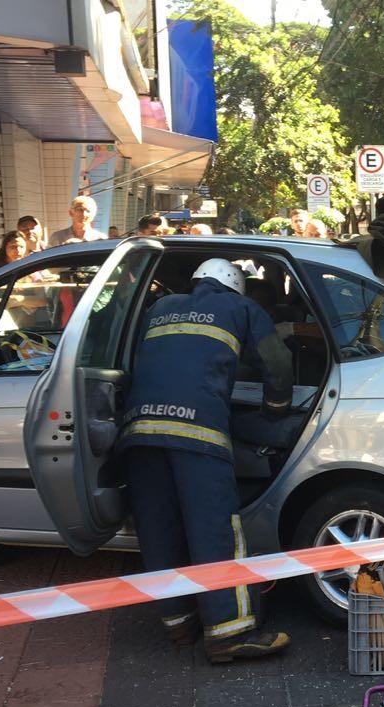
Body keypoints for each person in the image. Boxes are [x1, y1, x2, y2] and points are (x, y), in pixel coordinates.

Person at [116, 258, 295, 663]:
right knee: (215, 531)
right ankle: (230, 634)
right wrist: (275, 408)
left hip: (139, 432)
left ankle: (179, 623)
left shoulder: (159, 307)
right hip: (197, 434)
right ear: (236, 287)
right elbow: (278, 362)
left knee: (159, 529)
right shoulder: (242, 308)